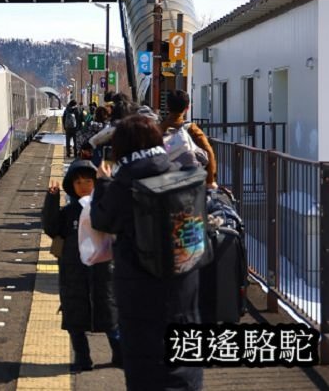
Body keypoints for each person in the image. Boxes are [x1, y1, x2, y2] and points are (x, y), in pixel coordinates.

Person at [90, 114, 203, 390]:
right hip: (183, 286)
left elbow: (101, 220)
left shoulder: (123, 184)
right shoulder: (177, 170)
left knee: (146, 366)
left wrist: (102, 183)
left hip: (140, 292)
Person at [42, 159, 121, 372]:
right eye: (78, 183)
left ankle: (120, 355)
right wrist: (52, 198)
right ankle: (83, 359)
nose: (84, 186)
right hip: (73, 273)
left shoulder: (103, 208)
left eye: (88, 181)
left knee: (110, 317)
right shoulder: (69, 212)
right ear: (72, 187)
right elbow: (51, 227)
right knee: (75, 321)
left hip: (103, 272)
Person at [160, 89, 217, 189]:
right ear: (187, 108)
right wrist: (210, 181)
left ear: (167, 107)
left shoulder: (158, 129)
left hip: (164, 183)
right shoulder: (191, 129)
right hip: (189, 184)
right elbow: (208, 152)